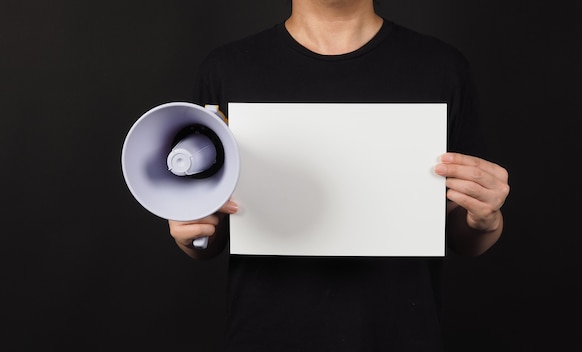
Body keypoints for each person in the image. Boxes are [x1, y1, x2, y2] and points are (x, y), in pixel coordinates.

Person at [169, 0, 510, 350]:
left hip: (400, 335)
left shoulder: (442, 67)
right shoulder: (227, 69)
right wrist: (190, 232)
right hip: (266, 335)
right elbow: (209, 236)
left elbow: (462, 235)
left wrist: (486, 220)